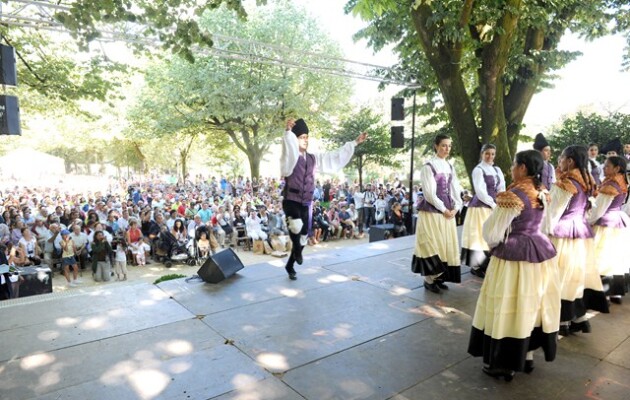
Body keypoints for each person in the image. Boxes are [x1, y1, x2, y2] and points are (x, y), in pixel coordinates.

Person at [468, 149, 560, 381]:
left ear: (523, 168)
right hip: (539, 251)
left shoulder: (514, 195)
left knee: (508, 305)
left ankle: (505, 364)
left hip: (514, 254)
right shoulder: (542, 191)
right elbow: (547, 223)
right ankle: (526, 357)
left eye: (514, 165)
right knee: (531, 304)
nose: (510, 169)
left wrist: (493, 245)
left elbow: (493, 230)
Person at [281, 118, 366, 280]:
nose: (305, 140)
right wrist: (288, 133)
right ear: (294, 139)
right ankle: (297, 252)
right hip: (291, 199)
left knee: (304, 237)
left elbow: (334, 157)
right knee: (296, 225)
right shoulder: (290, 156)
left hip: (306, 202)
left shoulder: (314, 158)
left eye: (306, 137)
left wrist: (354, 143)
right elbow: (287, 151)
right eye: (301, 137)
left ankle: (290, 264)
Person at [544, 145, 608, 336]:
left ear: (570, 160)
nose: (559, 161)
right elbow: (589, 209)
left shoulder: (566, 183)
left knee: (559, 277)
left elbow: (552, 214)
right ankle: (578, 318)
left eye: (561, 157)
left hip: (563, 233)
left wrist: (543, 234)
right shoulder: (587, 180)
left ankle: (562, 321)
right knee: (575, 277)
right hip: (580, 232)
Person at [412, 134, 465, 293]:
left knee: (445, 245)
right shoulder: (428, 166)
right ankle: (429, 280)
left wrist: (457, 206)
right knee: (433, 244)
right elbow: (429, 194)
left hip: (448, 212)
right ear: (436, 146)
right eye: (443, 145)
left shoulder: (450, 166)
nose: (447, 148)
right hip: (433, 213)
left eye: (449, 145)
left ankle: (438, 278)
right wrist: (444, 209)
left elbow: (455, 188)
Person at [588, 156, 630, 304]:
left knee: (602, 257)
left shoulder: (610, 185)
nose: (604, 168)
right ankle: (616, 294)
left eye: (607, 166)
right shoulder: (623, 180)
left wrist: (589, 221)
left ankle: (603, 294)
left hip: (606, 223)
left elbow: (598, 209)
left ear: (616, 168)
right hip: (619, 220)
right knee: (616, 258)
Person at [461, 144, 506, 278]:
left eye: (492, 153)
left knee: (492, 234)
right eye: (487, 153)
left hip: (494, 206)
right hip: (481, 207)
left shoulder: (497, 170)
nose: (490, 156)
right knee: (479, 236)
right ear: (482, 154)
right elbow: (480, 192)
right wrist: (493, 204)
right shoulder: (478, 170)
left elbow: (501, 188)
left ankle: (488, 263)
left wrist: (501, 201)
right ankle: (477, 266)